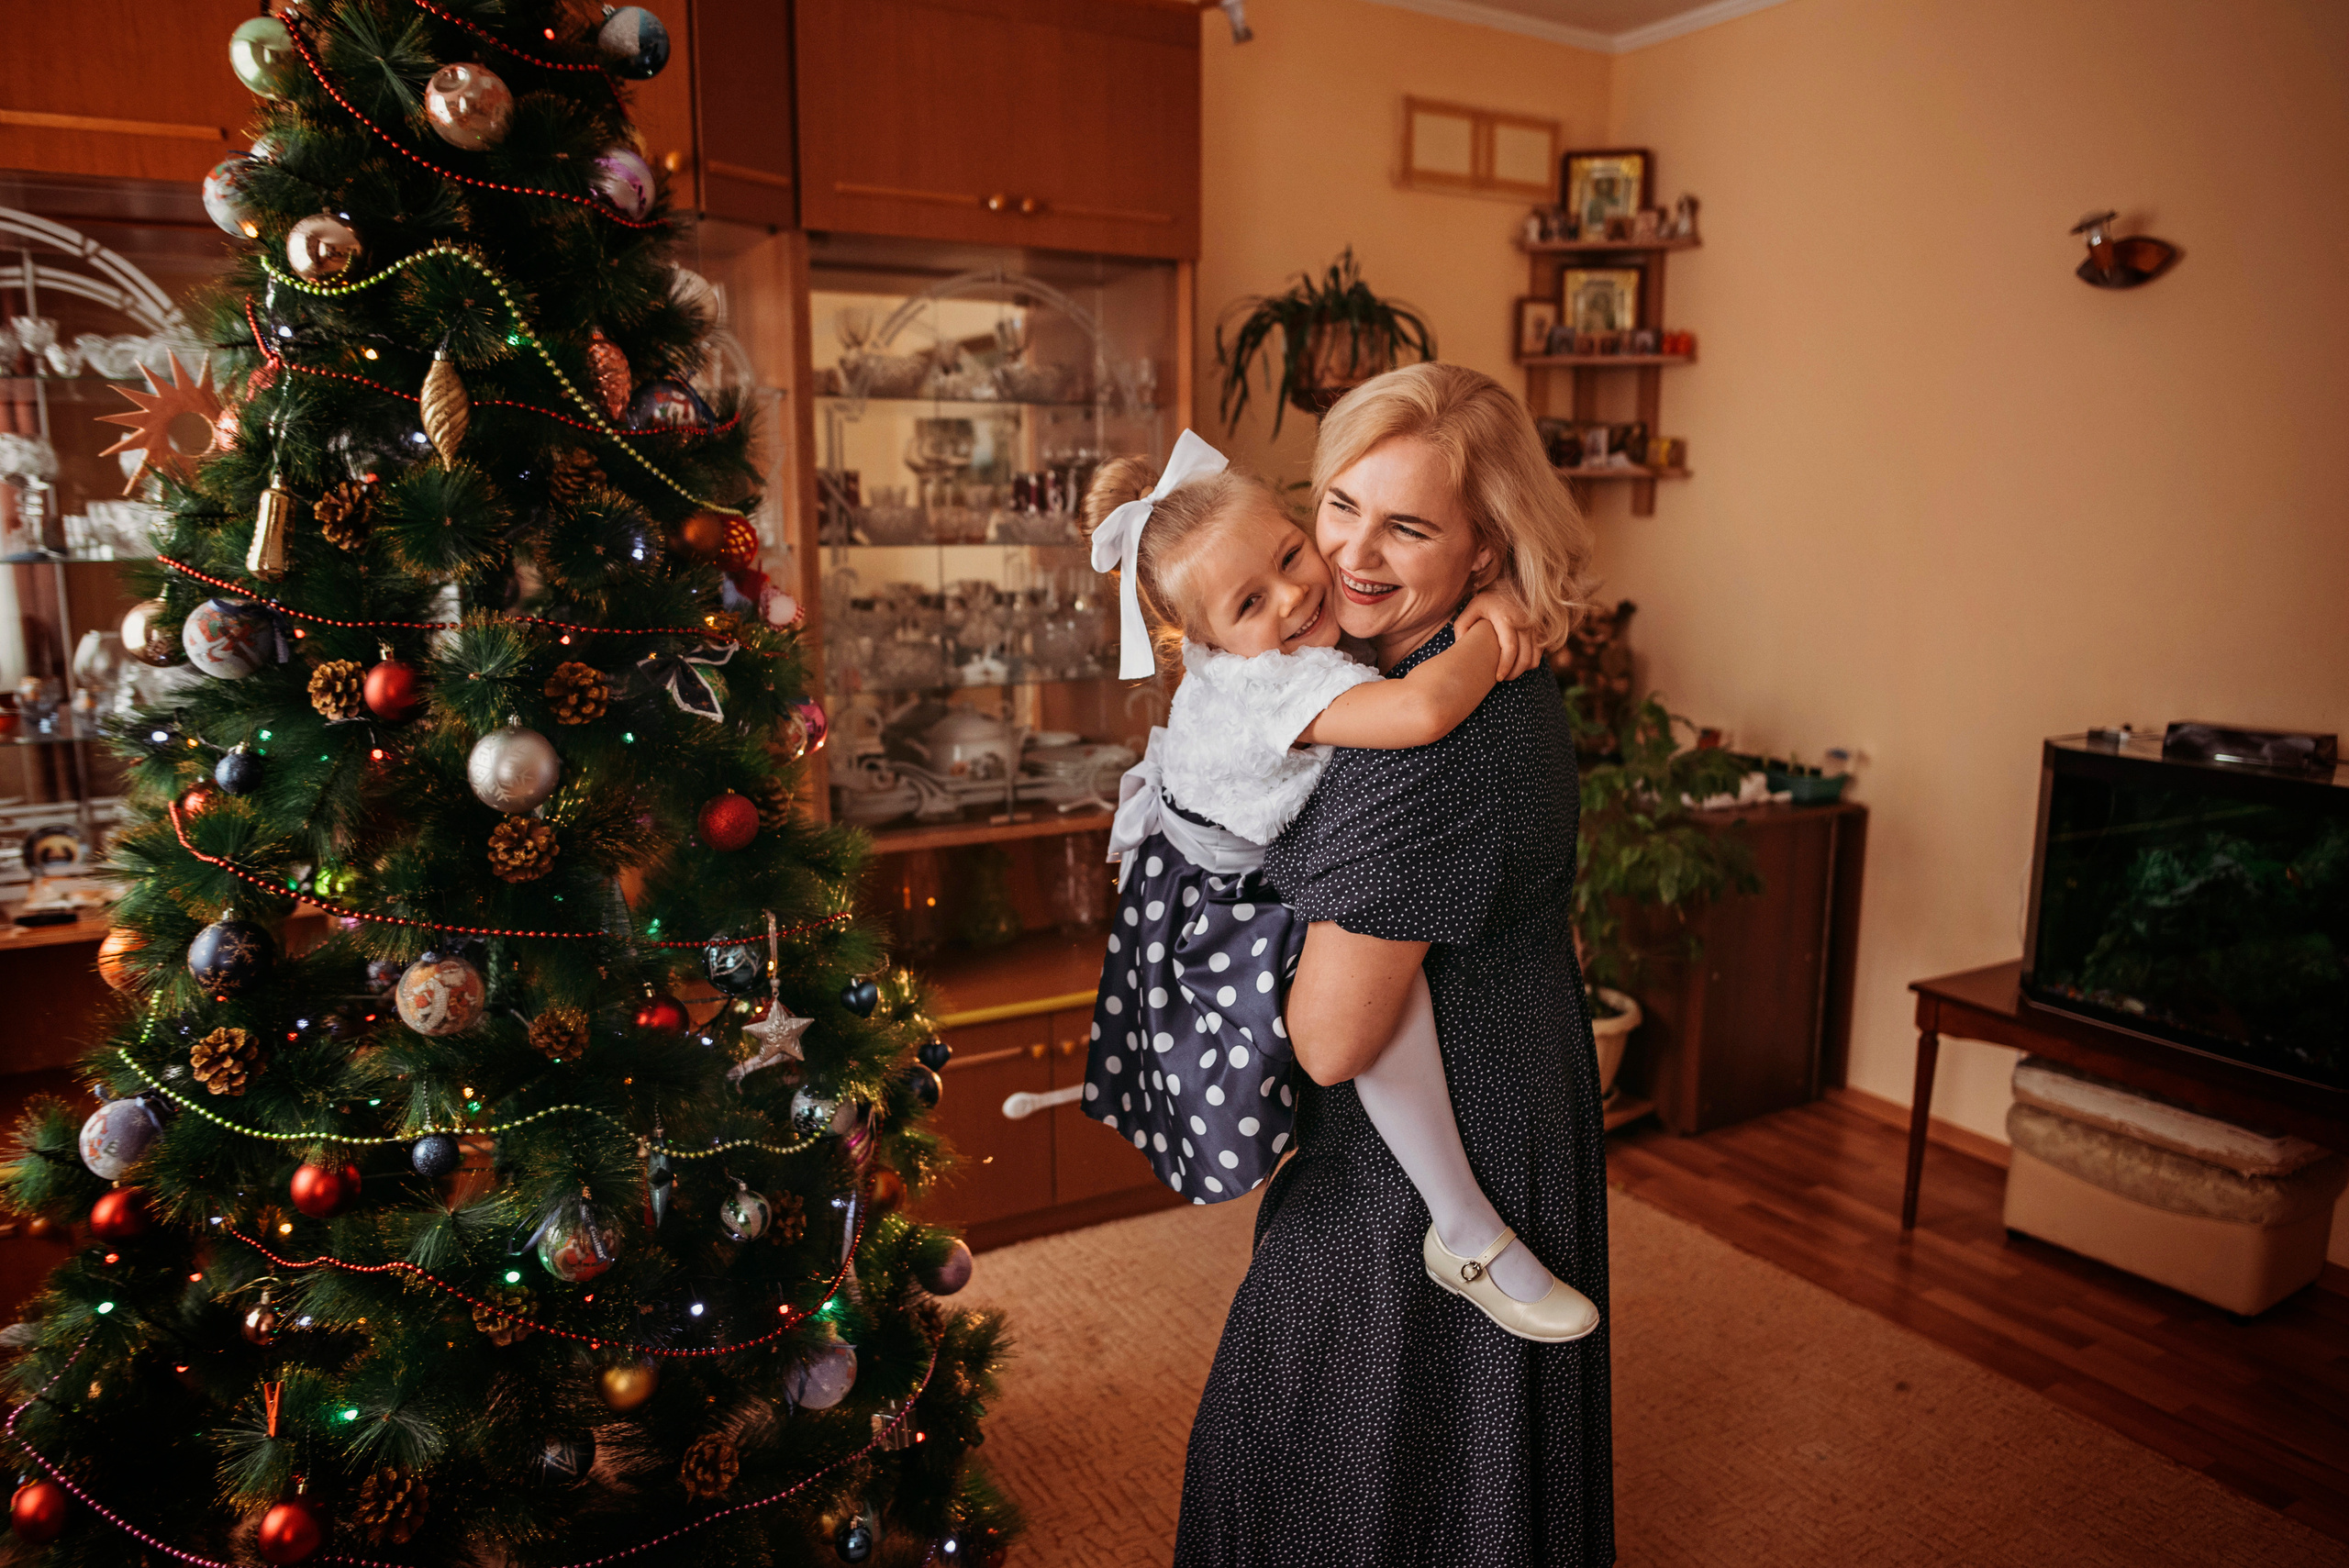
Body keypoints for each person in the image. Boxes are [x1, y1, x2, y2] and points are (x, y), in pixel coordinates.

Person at [1174, 362, 1611, 1566]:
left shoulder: (1420, 735)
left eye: (1407, 524)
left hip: (1422, 1151)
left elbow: (1331, 1037)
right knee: (1465, 1451)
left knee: (1331, 1453)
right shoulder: (1489, 665)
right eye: (1338, 506)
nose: (1351, 555)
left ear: (1483, 549)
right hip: (1521, 1075)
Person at [1077, 428, 1598, 1341]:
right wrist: (1492, 621)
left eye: (1288, 553)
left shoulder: (1290, 640)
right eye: (1250, 600)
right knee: (1374, 1002)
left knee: (1374, 952)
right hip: (1219, 907)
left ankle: (1464, 1224)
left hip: (1234, 872)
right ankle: (1463, 1224)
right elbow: (1424, 707)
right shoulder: (1271, 684)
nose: (1296, 592)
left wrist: (1494, 581)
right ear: (1203, 640)